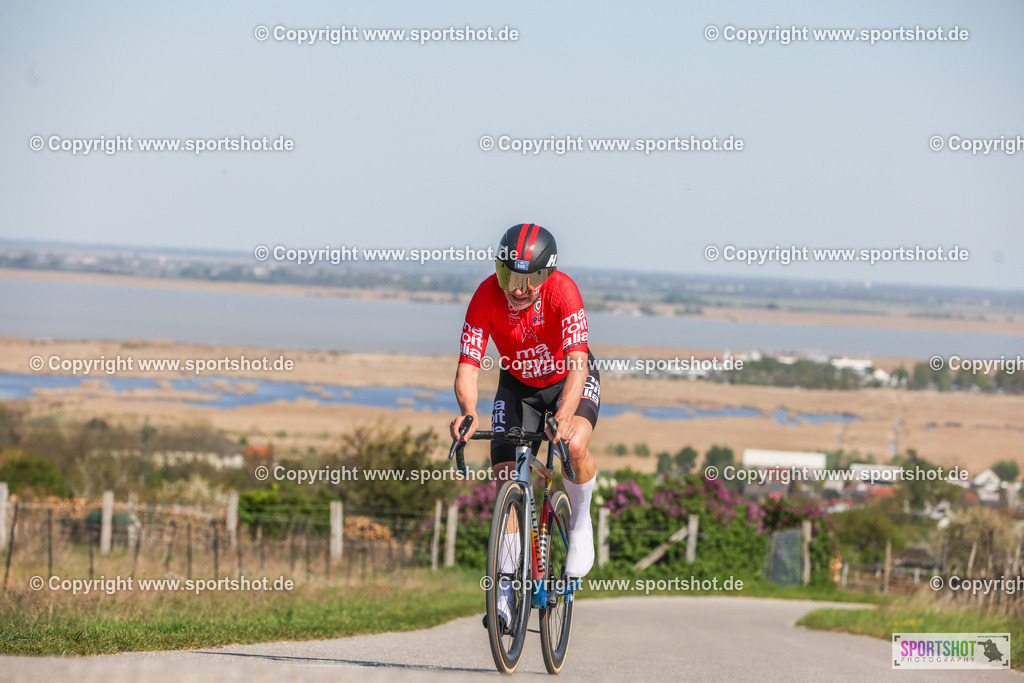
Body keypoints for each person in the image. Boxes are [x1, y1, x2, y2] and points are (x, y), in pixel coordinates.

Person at [450, 223, 600, 629]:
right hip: (517, 388)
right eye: (508, 276)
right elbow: (467, 367)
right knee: (505, 476)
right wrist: (468, 411)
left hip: (567, 383)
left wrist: (565, 418)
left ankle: (582, 519)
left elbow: (578, 365)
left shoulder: (563, 292)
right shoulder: (485, 296)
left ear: (545, 276)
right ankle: (503, 596)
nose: (516, 289)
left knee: (574, 447)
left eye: (528, 281)